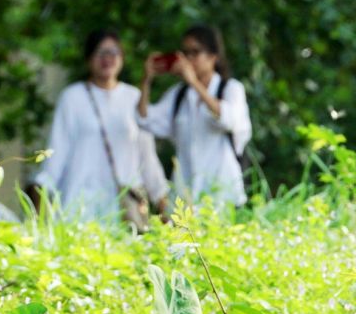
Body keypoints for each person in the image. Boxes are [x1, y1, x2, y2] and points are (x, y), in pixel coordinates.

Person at [34, 30, 168, 224]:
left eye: (113, 52)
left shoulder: (133, 98)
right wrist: (41, 199)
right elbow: (56, 153)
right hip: (79, 206)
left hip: (125, 209)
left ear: (122, 57)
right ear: (89, 59)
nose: (107, 59)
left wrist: (163, 202)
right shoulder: (72, 97)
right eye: (100, 52)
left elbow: (148, 159)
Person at [138, 24, 250, 208]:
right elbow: (145, 120)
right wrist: (146, 80)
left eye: (195, 52)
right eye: (185, 53)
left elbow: (228, 120)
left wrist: (194, 82)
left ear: (213, 56)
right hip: (185, 196)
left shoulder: (231, 89)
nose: (188, 59)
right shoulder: (179, 95)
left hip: (222, 192)